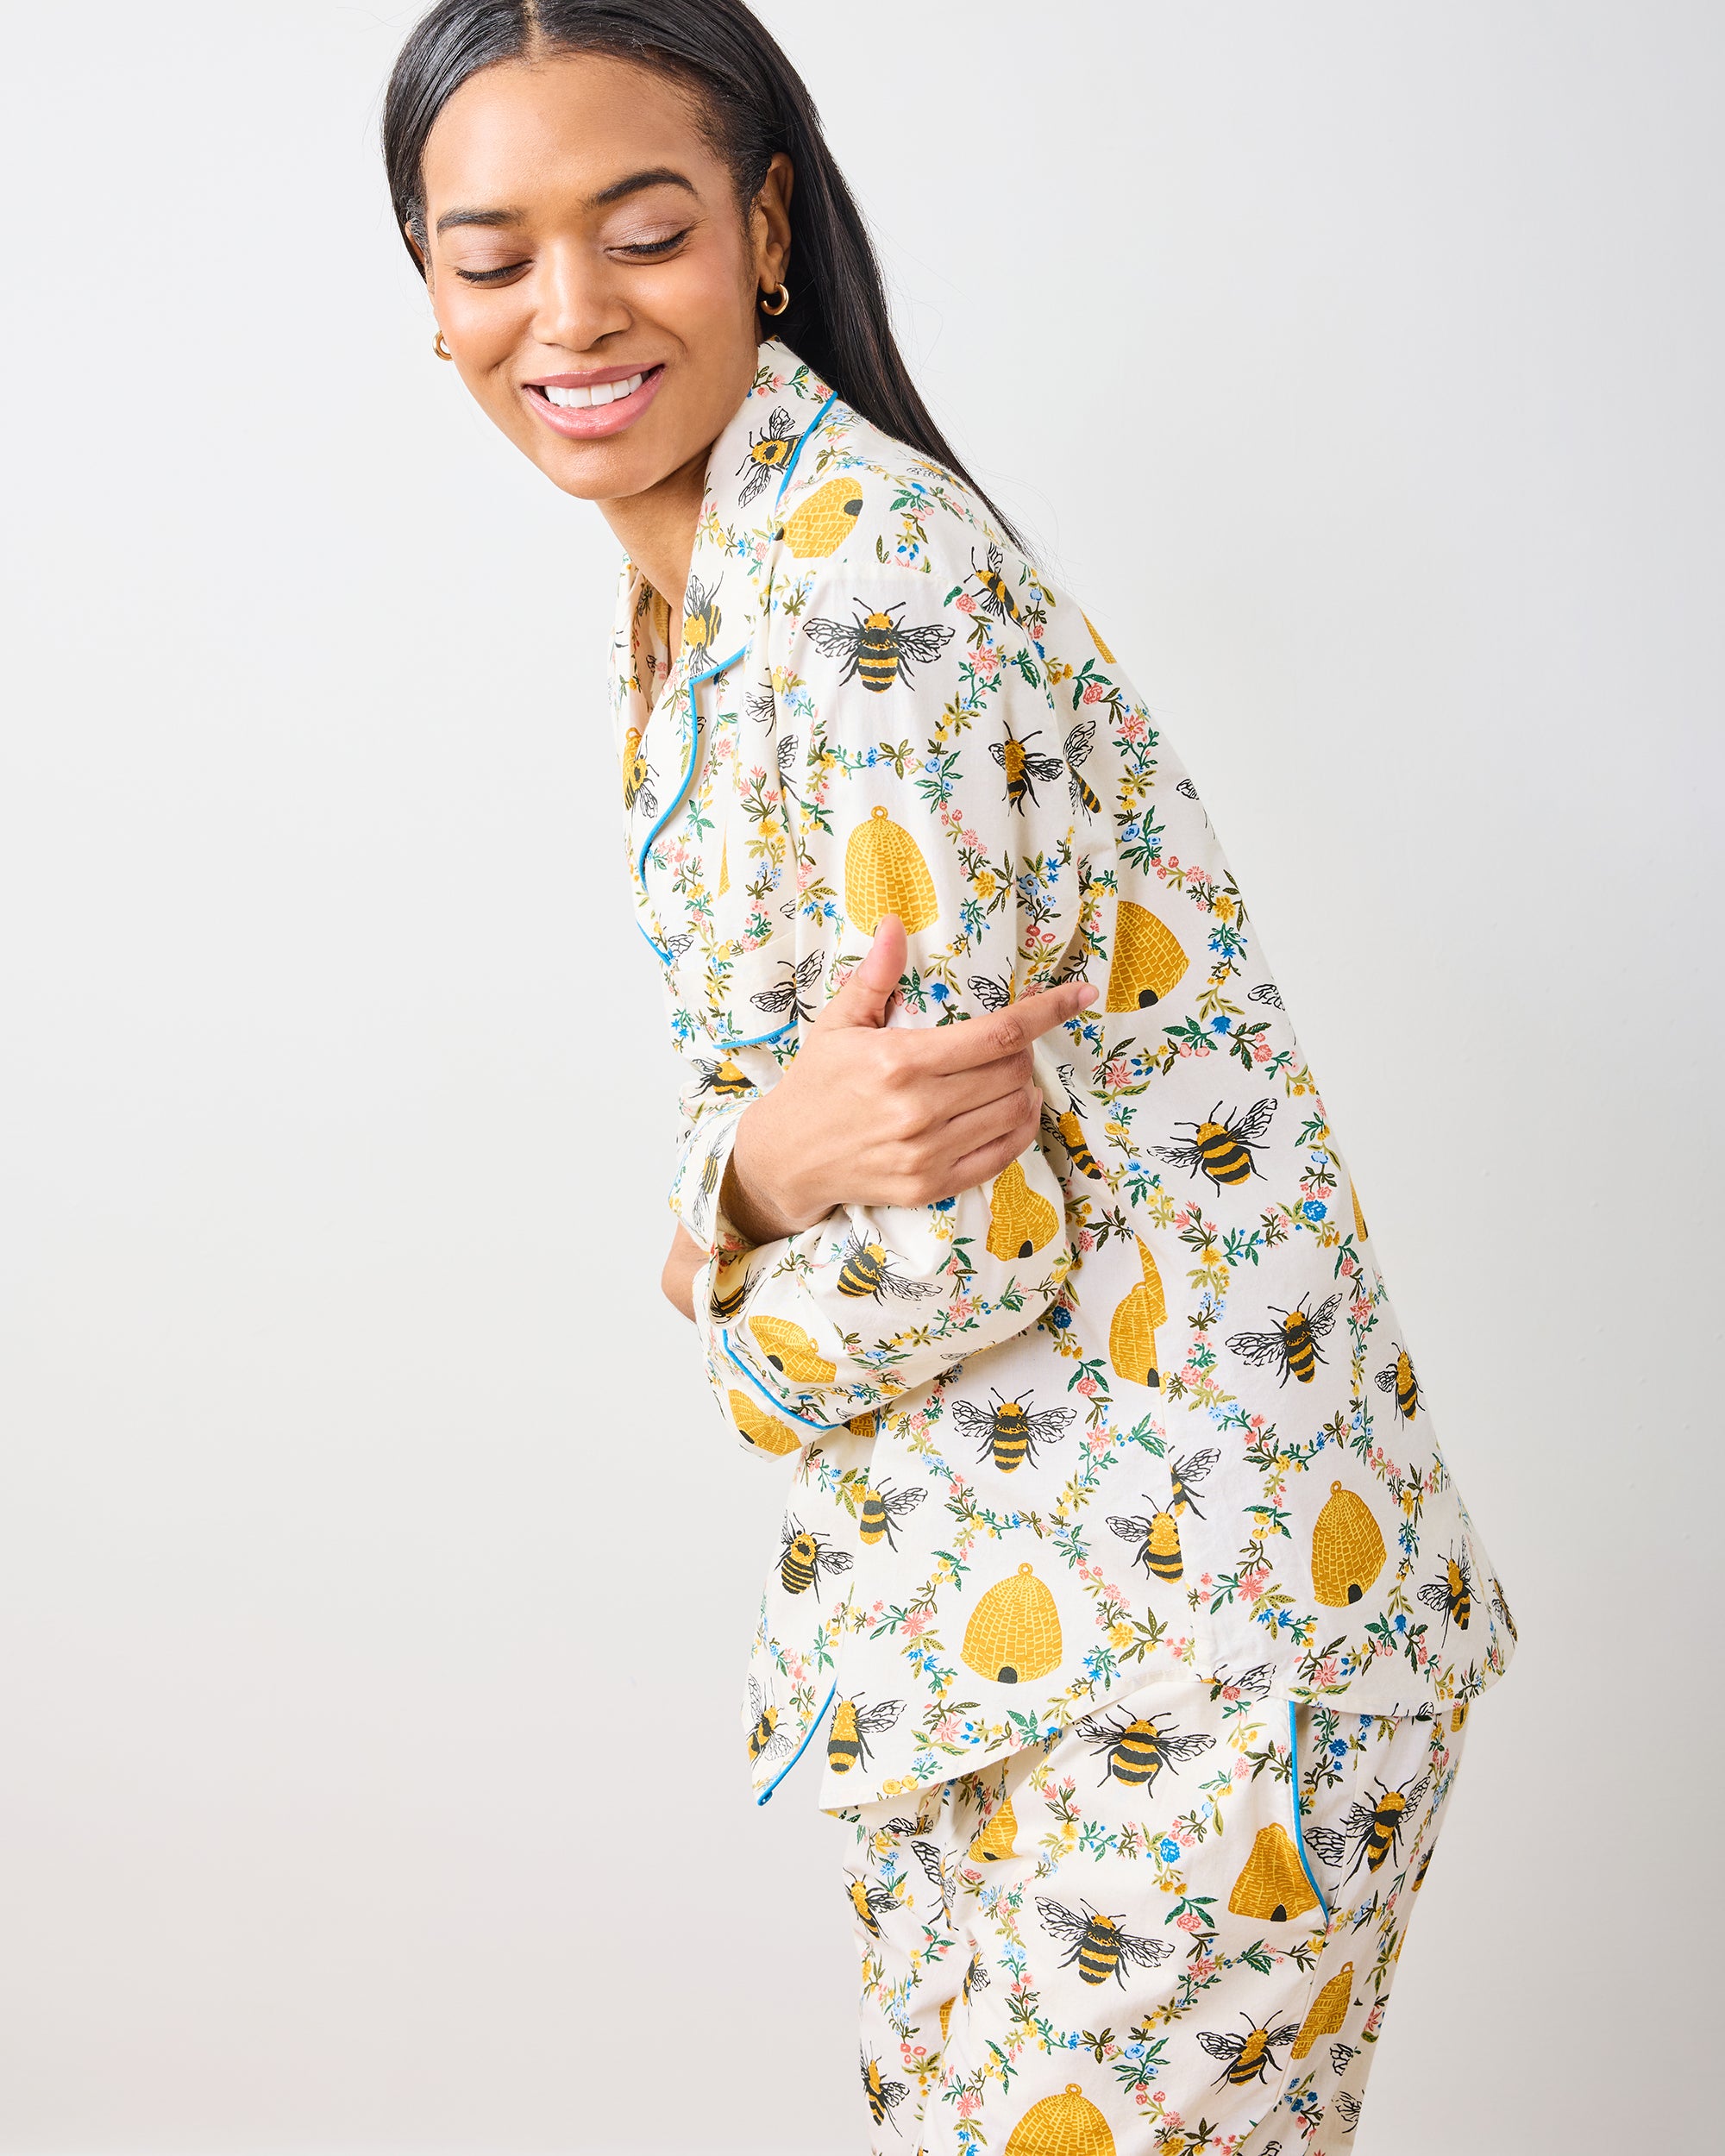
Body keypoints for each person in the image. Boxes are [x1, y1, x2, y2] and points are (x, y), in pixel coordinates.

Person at [381, 5, 1517, 2148]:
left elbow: (960, 1229)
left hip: (1194, 1642)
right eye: (493, 257)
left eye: (644, 232)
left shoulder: (860, 583)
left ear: (767, 230)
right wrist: (745, 1180)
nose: (571, 313)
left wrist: (717, 1290)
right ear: (429, 295)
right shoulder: (701, 608)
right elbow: (800, 1129)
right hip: (984, 1645)